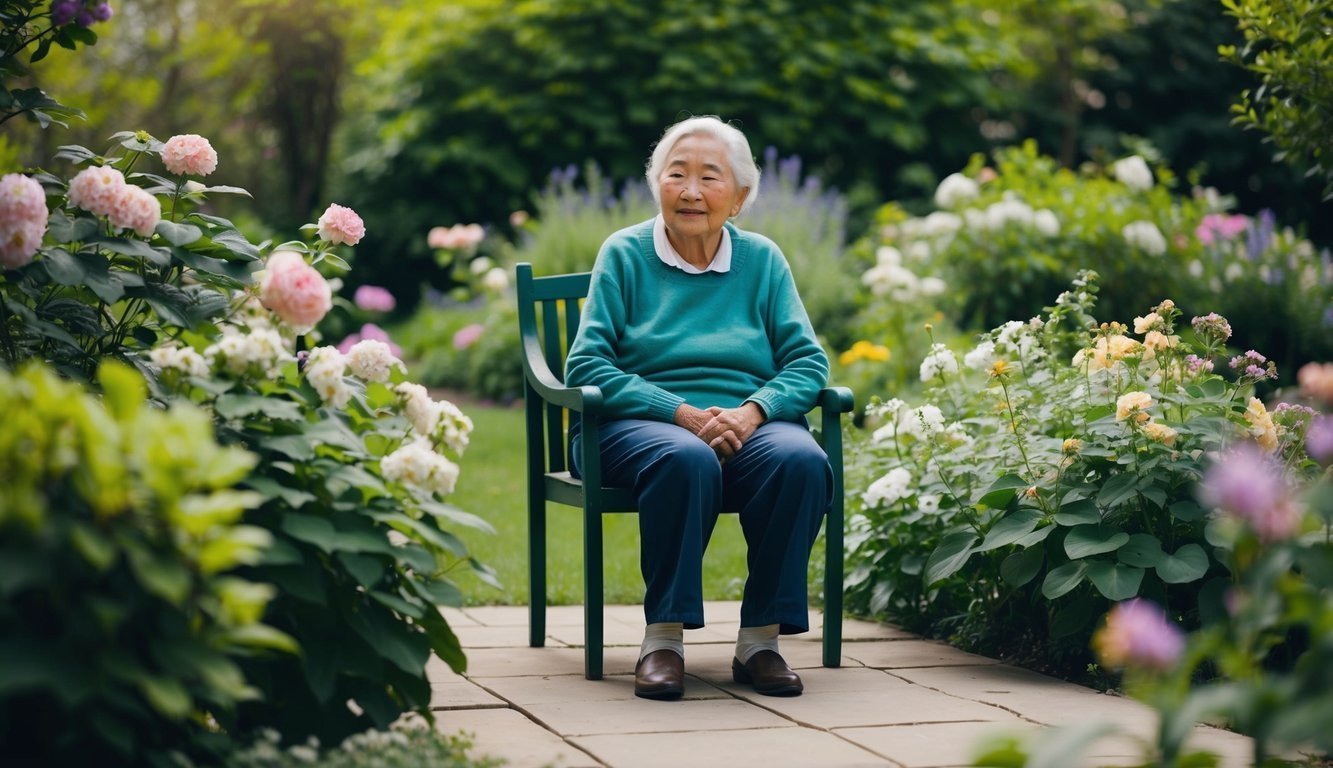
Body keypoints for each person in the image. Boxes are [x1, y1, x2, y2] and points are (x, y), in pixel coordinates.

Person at [564, 116, 832, 700]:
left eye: (710, 177)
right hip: (633, 428)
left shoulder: (762, 261)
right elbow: (585, 367)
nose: (690, 190)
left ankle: (760, 641)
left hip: (746, 426)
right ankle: (663, 639)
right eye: (675, 174)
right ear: (656, 184)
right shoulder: (625, 253)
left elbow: (809, 364)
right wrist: (678, 410)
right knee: (684, 458)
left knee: (801, 460)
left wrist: (755, 410)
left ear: (739, 198)